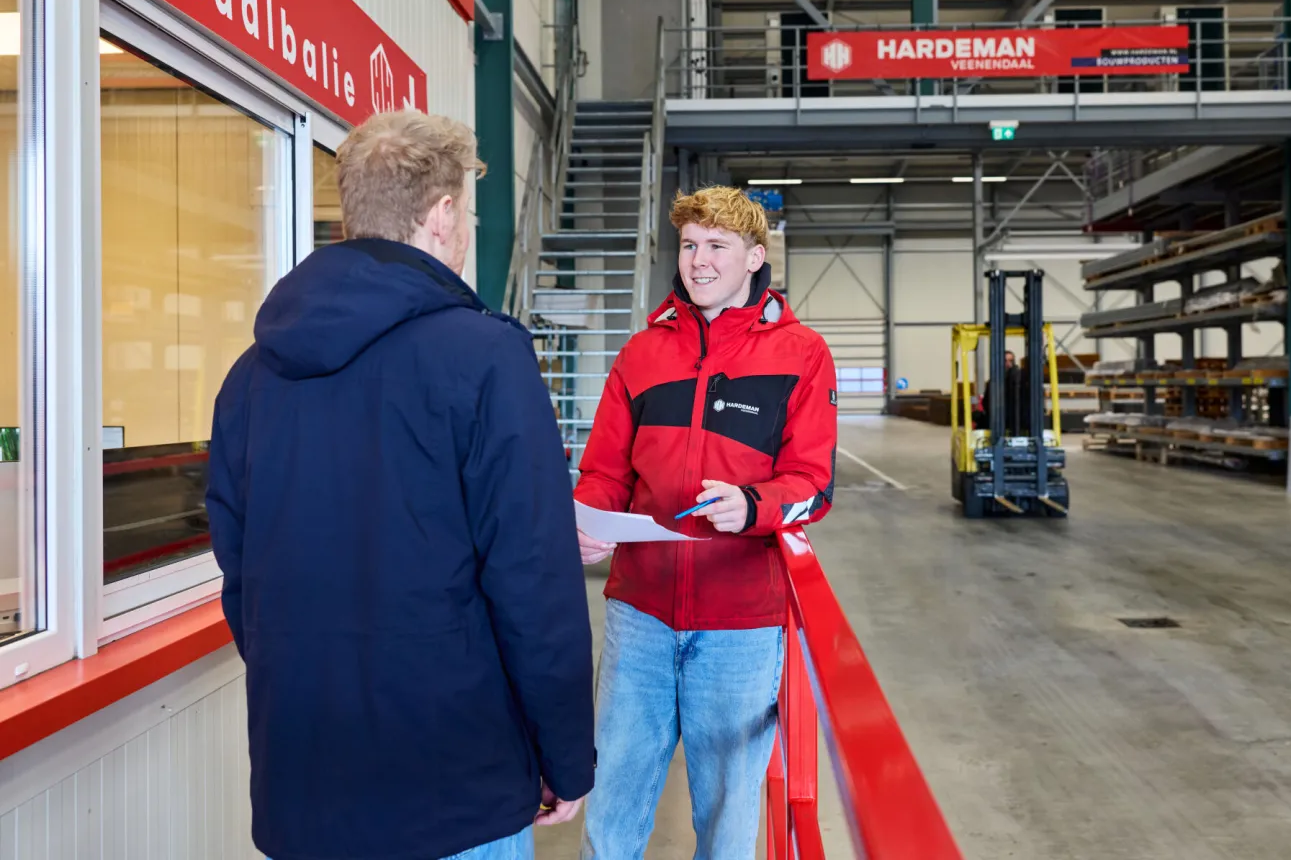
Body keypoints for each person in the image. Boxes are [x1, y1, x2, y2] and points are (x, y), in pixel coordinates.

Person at [206, 111, 595, 860]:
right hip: (457, 791)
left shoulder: (250, 378)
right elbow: (532, 579)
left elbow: (240, 575)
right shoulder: (487, 358)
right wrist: (566, 755)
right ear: (442, 214)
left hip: (303, 783)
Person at [573, 186, 838, 860]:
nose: (698, 260)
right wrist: (592, 518)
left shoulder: (801, 354)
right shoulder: (642, 354)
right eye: (690, 245)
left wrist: (753, 506)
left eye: (716, 246)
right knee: (614, 801)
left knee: (725, 817)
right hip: (641, 615)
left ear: (754, 257)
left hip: (740, 626)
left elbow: (812, 484)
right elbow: (606, 469)